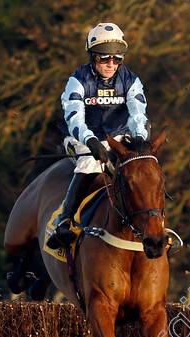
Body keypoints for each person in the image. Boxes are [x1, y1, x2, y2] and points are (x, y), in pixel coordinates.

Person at [46, 22, 150, 250]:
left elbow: (138, 115)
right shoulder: (78, 80)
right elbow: (74, 118)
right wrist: (90, 140)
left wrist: (140, 140)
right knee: (91, 163)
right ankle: (64, 219)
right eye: (104, 58)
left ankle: (154, 224)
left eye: (117, 58)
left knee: (146, 169)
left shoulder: (132, 81)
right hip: (81, 140)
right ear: (93, 56)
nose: (111, 64)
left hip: (119, 140)